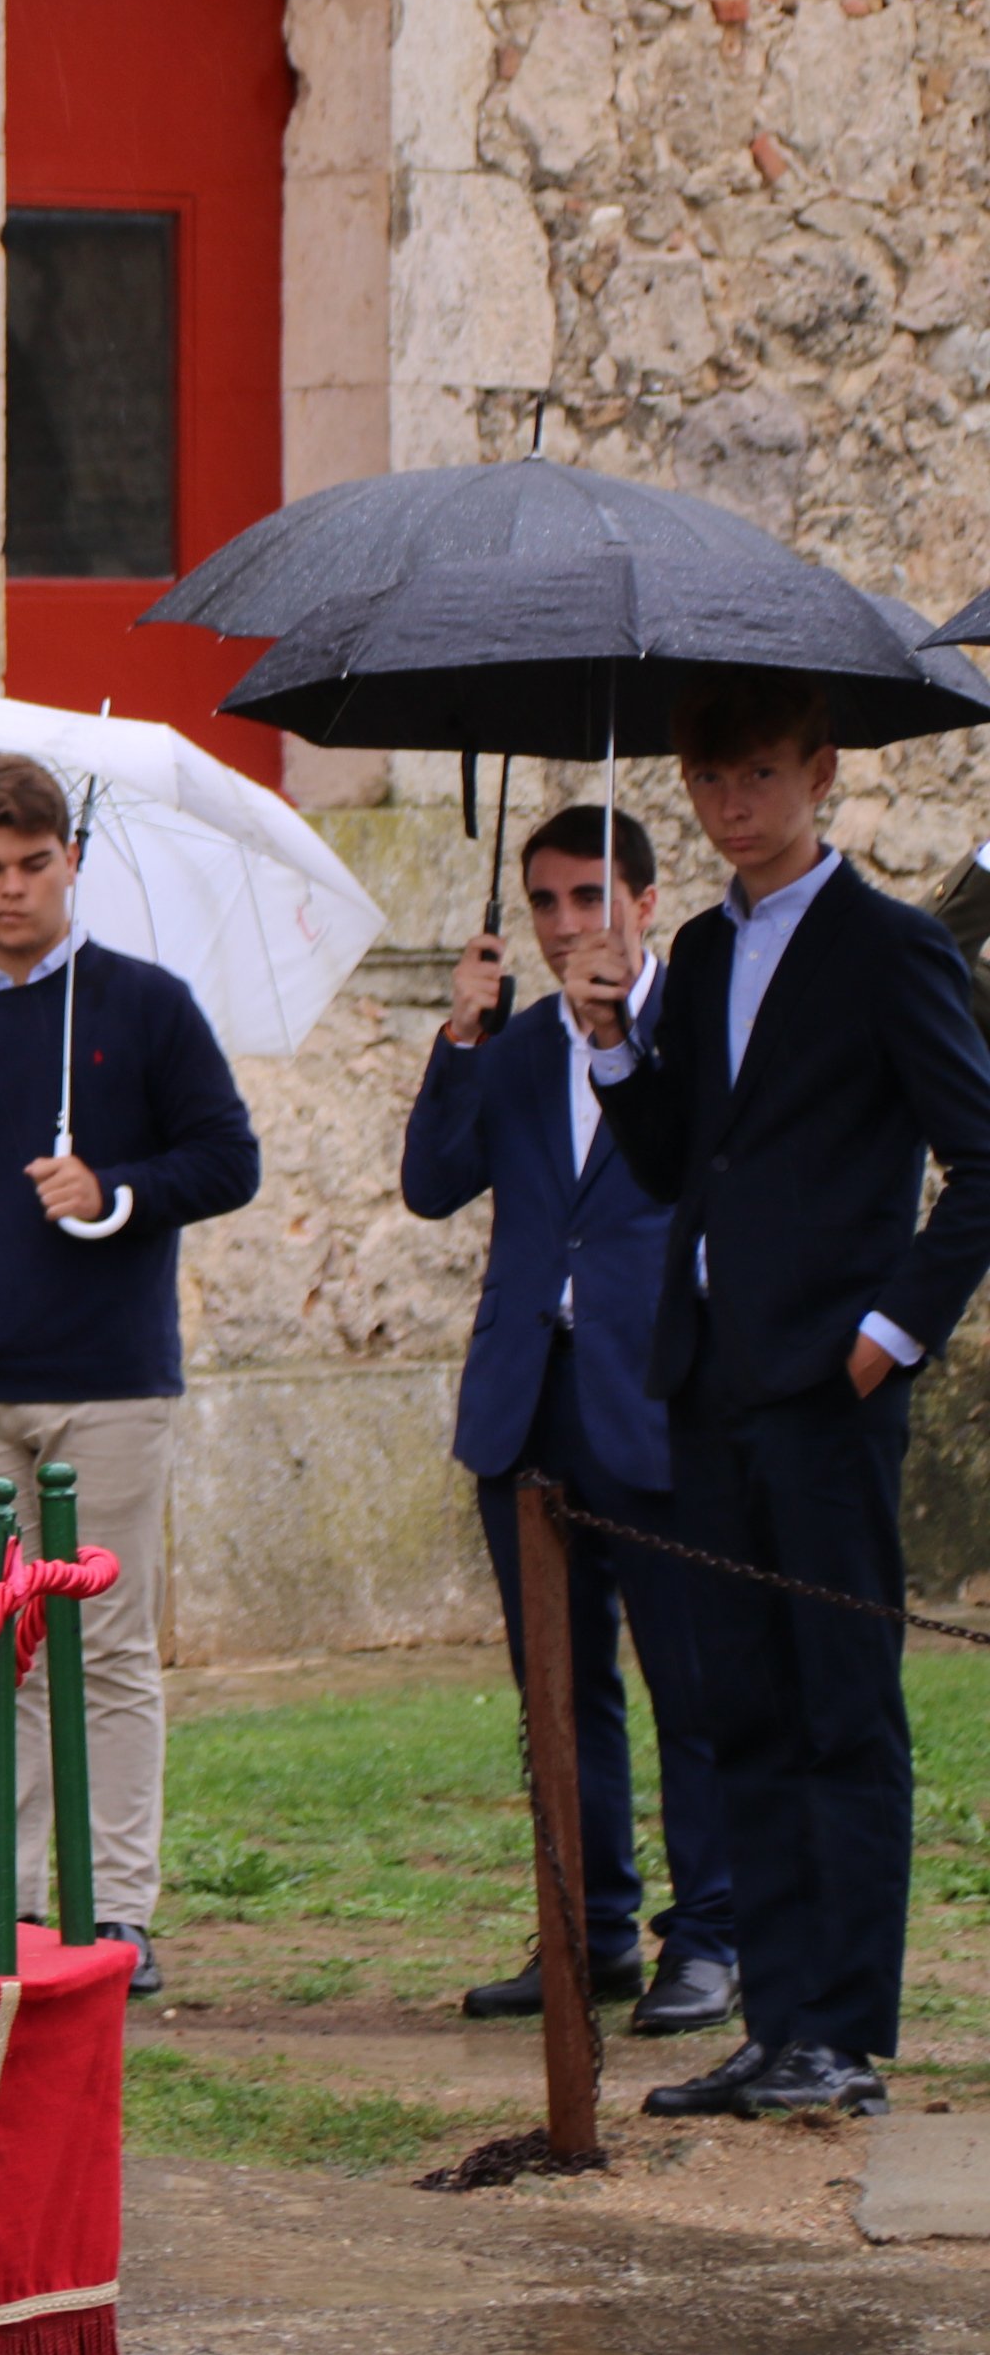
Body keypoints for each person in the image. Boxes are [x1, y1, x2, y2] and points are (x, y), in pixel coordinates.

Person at [575, 668, 990, 2120]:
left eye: (756, 776)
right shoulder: (690, 945)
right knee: (739, 1699)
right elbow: (680, 1158)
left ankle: (840, 2031)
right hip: (712, 1382)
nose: (730, 806)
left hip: (831, 1383)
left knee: (842, 1705)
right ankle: (775, 2020)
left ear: (819, 774)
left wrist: (892, 1328)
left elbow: (981, 1158)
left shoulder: (890, 948)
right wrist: (616, 1040)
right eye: (707, 782)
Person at [397, 806, 736, 2038]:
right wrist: (461, 1034)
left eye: (589, 897)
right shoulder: (520, 1043)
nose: (563, 924)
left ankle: (709, 1935)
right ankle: (583, 1933)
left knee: (692, 1681)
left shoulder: (701, 1029)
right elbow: (433, 1183)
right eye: (543, 903)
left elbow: (710, 1167)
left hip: (657, 1396)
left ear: (646, 901)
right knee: (558, 1684)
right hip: (525, 1401)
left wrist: (622, 1042)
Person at [0, 749, 256, 1997]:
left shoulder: (144, 1004)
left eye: (33, 865)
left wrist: (115, 1189)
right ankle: (1, 1902)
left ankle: (118, 1906)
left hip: (111, 1380)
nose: (11, 890)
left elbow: (228, 1159)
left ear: (73, 859)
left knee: (107, 1651)